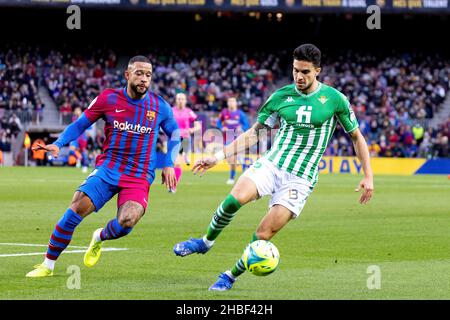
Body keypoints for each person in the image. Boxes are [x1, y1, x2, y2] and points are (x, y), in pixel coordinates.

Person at [173, 44, 374, 291]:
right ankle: (205, 242)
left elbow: (357, 137)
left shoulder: (335, 100)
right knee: (234, 199)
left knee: (263, 233)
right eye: (295, 70)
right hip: (272, 164)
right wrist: (218, 157)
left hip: (300, 179)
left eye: (306, 72)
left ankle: (229, 275)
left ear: (318, 71)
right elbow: (254, 134)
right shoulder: (280, 96)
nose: (299, 76)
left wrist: (368, 176)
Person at [26, 55, 180, 277]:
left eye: (148, 75)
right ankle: (47, 265)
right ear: (127, 75)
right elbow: (80, 124)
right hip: (110, 167)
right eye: (139, 73)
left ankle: (99, 237)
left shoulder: (160, 106)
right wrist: (59, 144)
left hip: (139, 174)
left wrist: (169, 163)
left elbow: (175, 133)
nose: (144, 79)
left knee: (127, 221)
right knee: (77, 206)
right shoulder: (108, 99)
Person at [171, 92, 200, 192]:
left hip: (185, 139)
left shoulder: (189, 112)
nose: (180, 101)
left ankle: (173, 186)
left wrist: (192, 130)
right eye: (179, 99)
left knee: (177, 163)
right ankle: (186, 156)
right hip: (173, 139)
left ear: (185, 101)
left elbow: (198, 125)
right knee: (172, 163)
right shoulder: (171, 111)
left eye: (182, 99)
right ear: (176, 100)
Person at [218, 97, 249, 185]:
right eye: (230, 101)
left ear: (236, 103)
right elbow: (219, 122)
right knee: (230, 159)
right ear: (228, 103)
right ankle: (240, 168)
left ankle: (235, 178)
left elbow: (246, 124)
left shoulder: (240, 114)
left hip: (239, 138)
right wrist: (221, 127)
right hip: (228, 138)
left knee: (238, 157)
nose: (231, 103)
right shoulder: (224, 112)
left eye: (233, 101)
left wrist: (242, 128)